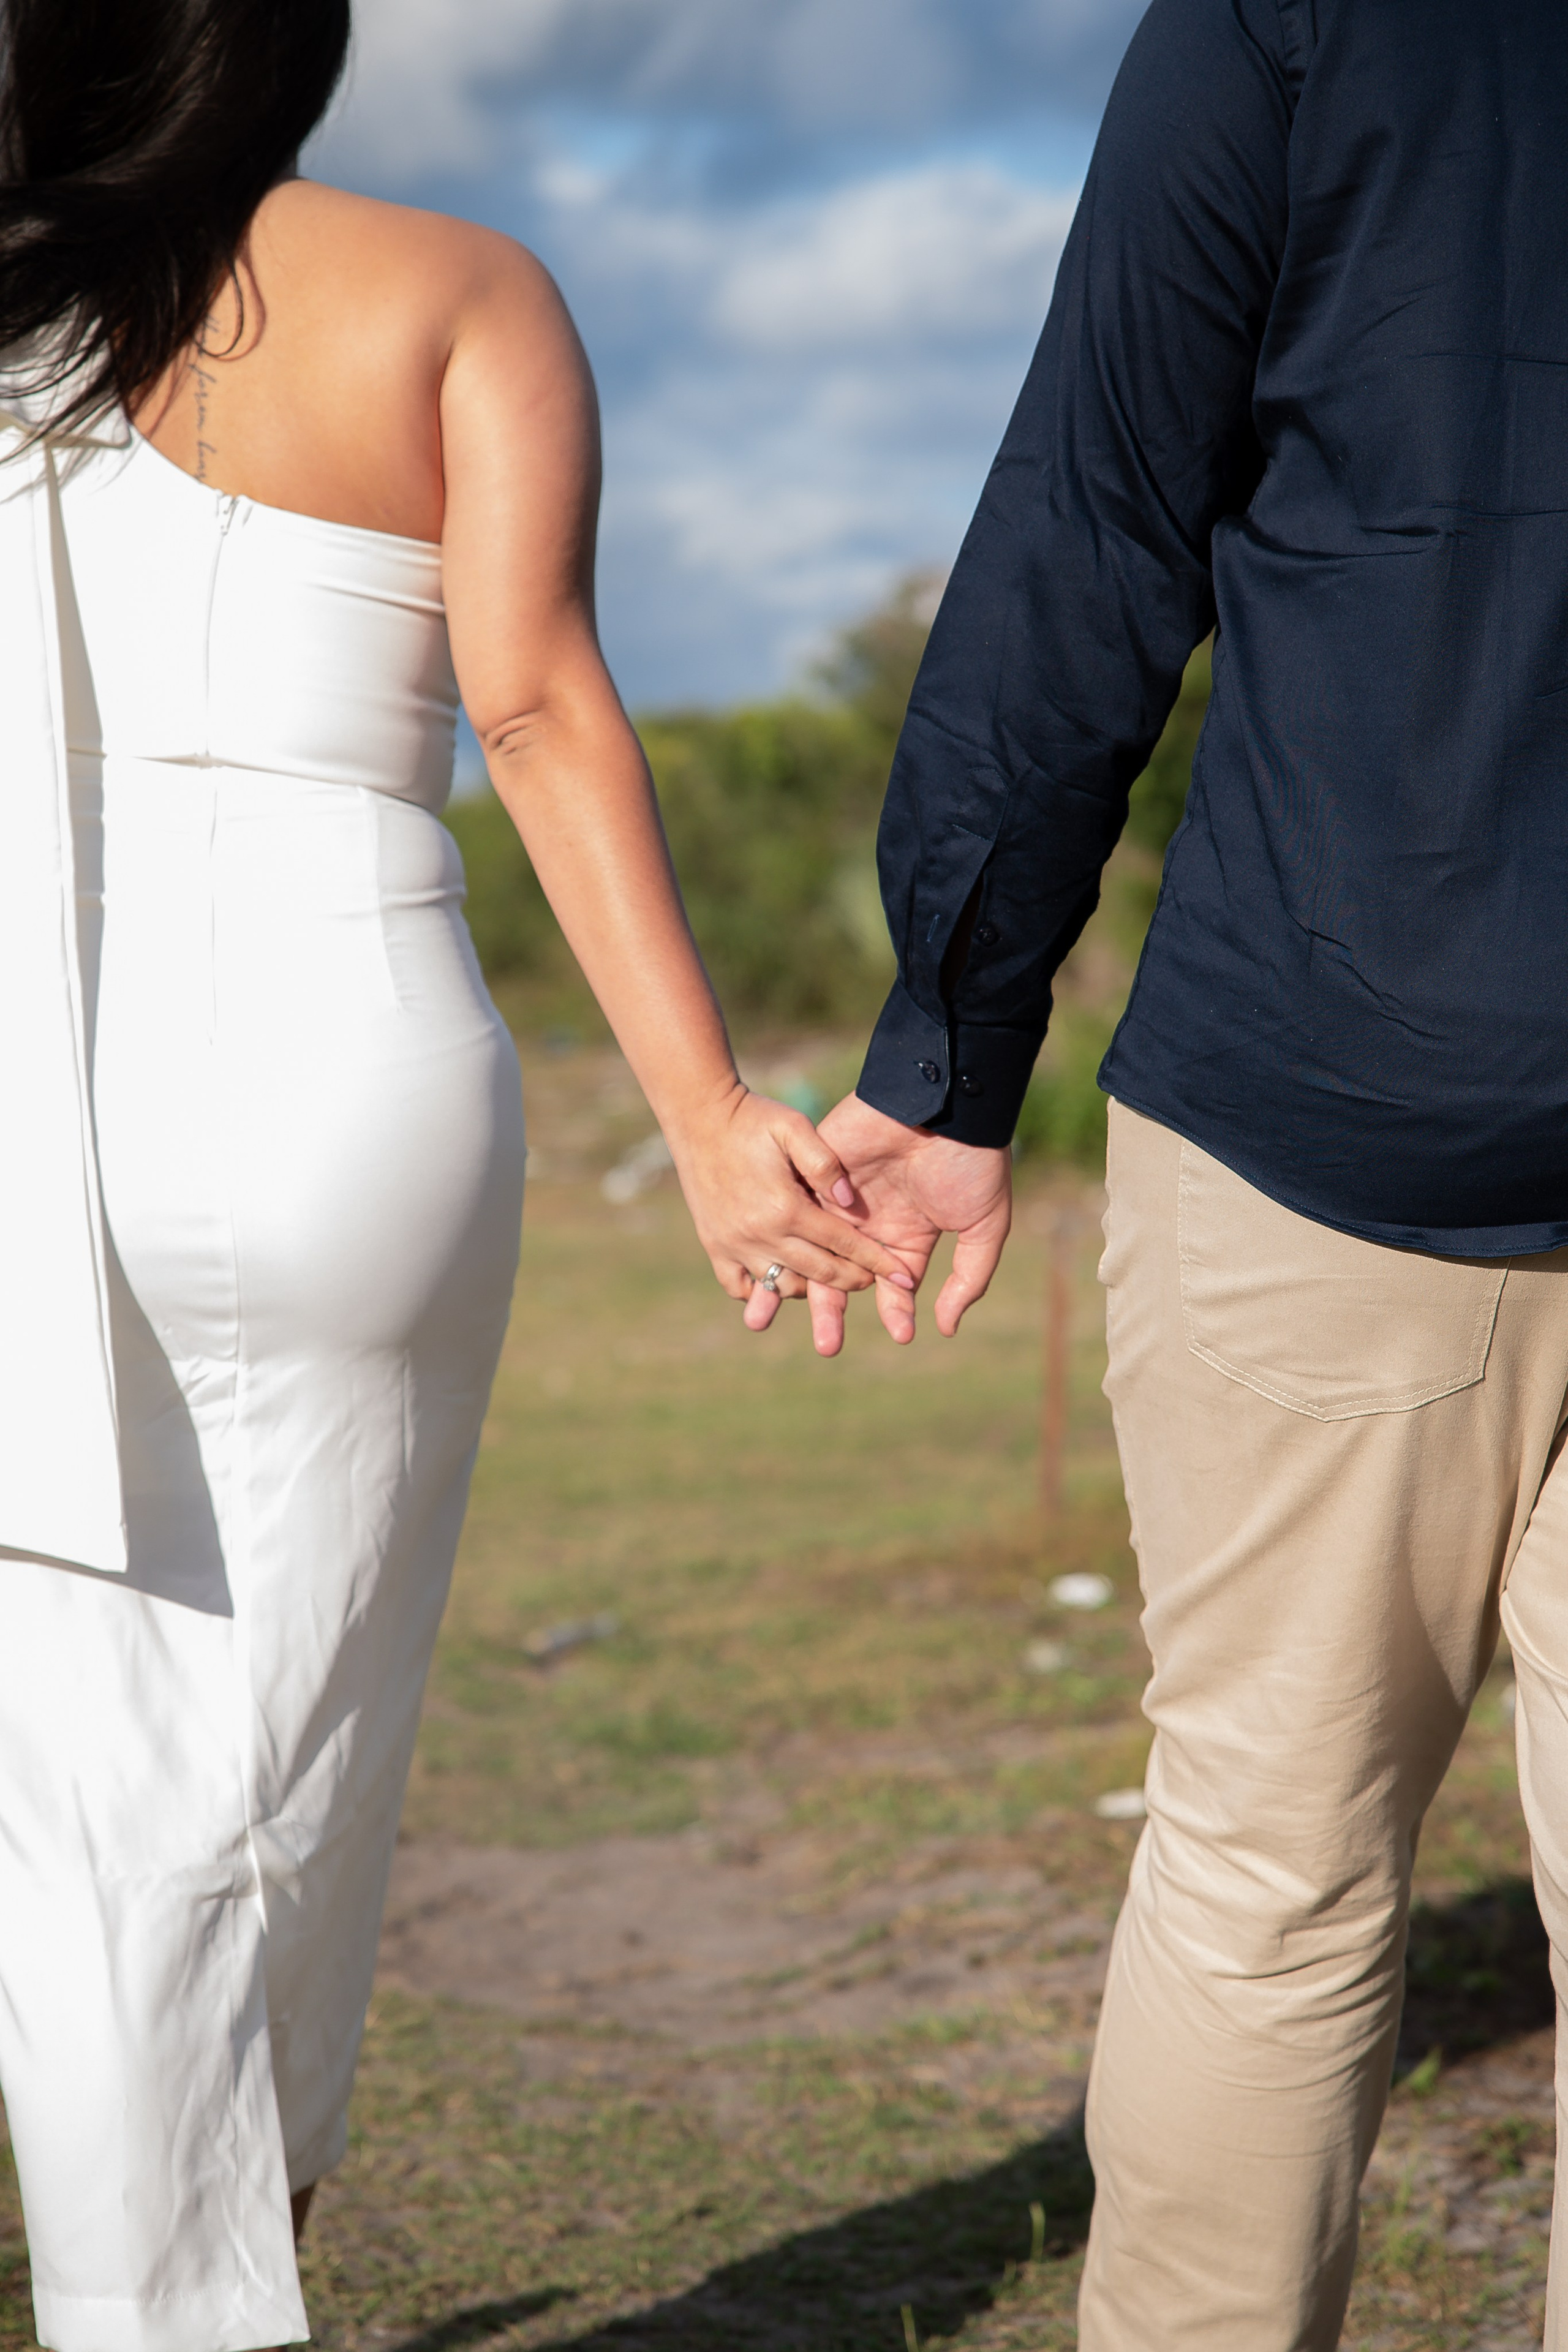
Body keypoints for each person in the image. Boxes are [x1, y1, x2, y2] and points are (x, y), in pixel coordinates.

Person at [0, 2, 914, 2340]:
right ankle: (252, 2229)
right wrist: (709, 1122)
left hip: (46, 1063)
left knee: (93, 1786)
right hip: (355, 1058)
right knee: (315, 1719)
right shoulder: (456, 287)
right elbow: (533, 703)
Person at [796, 0, 1568, 2342]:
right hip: (1335, 1107)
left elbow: (1097, 517)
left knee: (1270, 1879)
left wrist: (951, 1053)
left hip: (1335, 1075)